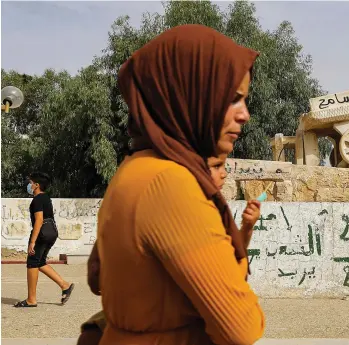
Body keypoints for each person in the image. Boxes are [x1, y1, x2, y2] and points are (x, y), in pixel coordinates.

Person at [83, 24, 264, 345]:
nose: (244, 115)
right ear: (189, 96)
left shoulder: (134, 167)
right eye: (233, 99)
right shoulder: (171, 185)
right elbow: (241, 326)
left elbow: (99, 279)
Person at [77, 154, 261, 344]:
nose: (224, 174)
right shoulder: (168, 204)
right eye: (216, 166)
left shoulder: (211, 212)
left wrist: (247, 227)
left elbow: (231, 262)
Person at [14, 172, 74, 308]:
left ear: (36, 185)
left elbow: (39, 220)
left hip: (41, 233)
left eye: (30, 183)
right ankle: (65, 285)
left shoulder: (37, 200)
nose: (28, 185)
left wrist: (32, 242)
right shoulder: (46, 198)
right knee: (40, 262)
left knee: (32, 262)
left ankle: (31, 300)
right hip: (51, 232)